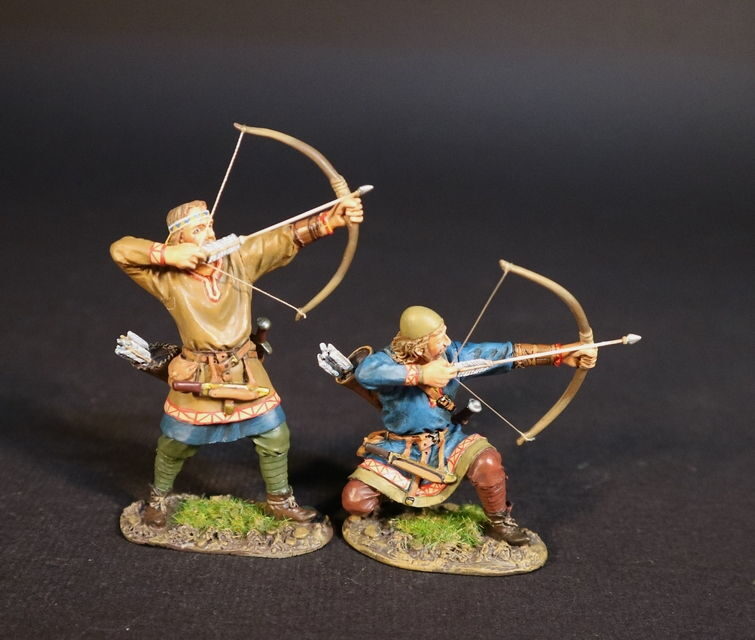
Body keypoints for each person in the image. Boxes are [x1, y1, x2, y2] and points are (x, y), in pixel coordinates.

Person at [111, 196, 363, 527]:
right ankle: (158, 500)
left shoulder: (237, 259)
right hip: (197, 371)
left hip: (244, 370)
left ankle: (280, 501)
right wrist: (166, 255)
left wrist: (331, 220)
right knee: (174, 442)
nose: (209, 234)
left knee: (275, 434)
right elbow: (121, 250)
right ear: (179, 239)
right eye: (197, 230)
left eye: (209, 226)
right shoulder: (167, 276)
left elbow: (282, 239)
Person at [341, 305, 596, 545]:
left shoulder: (452, 355)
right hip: (399, 448)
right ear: (417, 345)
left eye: (445, 333)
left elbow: (502, 355)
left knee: (488, 462)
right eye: (438, 337)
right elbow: (366, 373)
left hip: (445, 441)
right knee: (355, 501)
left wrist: (561, 353)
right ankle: (390, 504)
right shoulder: (385, 361)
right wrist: (422, 374)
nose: (446, 341)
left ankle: (500, 522)